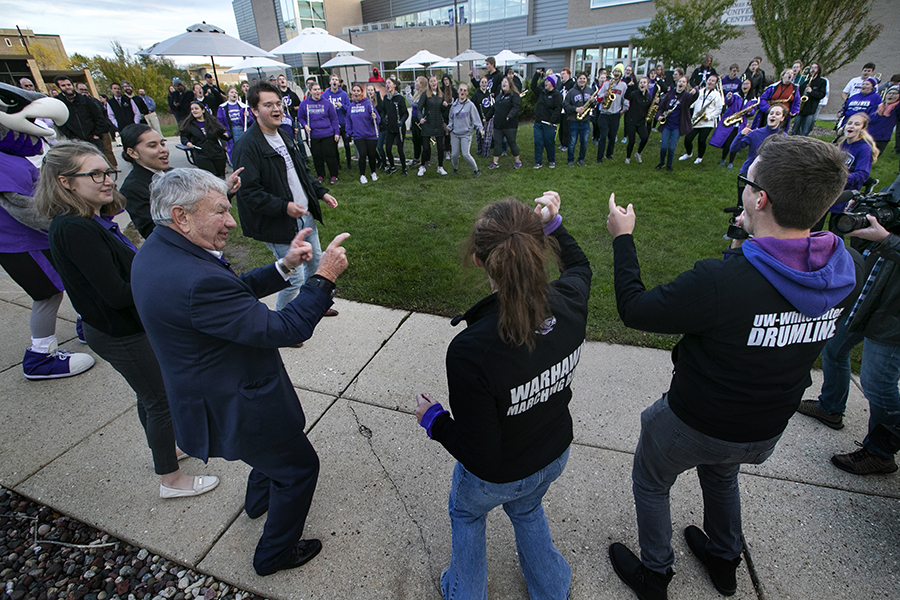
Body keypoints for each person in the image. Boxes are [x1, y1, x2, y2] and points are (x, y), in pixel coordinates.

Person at [606, 134, 861, 600]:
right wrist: (753, 240)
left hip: (695, 420)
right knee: (723, 472)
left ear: (759, 198)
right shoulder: (846, 269)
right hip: (765, 425)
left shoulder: (722, 282)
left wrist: (623, 239)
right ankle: (725, 559)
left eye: (747, 180)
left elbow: (635, 309)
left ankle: (655, 574)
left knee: (651, 478)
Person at [131, 167, 349, 576]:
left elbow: (226, 296)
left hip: (210, 388)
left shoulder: (160, 251)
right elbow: (287, 328)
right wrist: (323, 277)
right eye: (219, 211)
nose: (231, 221)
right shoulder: (194, 278)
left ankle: (258, 501)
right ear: (181, 215)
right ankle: (274, 555)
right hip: (238, 400)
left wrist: (283, 267)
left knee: (271, 457)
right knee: (299, 467)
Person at [415, 191, 591, 600]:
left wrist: (434, 420)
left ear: (479, 261)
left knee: (466, 514)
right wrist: (552, 222)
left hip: (499, 473)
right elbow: (580, 266)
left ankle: (464, 592)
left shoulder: (471, 350)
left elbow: (481, 455)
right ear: (540, 249)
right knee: (528, 508)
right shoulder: (570, 301)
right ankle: (552, 589)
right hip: (553, 453)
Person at [36, 141, 220, 498]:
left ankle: (169, 448)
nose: (107, 180)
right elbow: (117, 294)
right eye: (95, 174)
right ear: (65, 182)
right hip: (119, 332)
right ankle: (171, 479)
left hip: (121, 328)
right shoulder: (76, 229)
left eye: (108, 171)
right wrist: (163, 279)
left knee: (150, 395)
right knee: (160, 399)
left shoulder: (87, 219)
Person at [796, 190, 900, 475]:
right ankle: (830, 407)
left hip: (894, 314)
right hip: (870, 298)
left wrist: (888, 240)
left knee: (878, 383)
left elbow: (889, 246)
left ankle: (880, 452)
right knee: (834, 349)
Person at [0, 82, 96, 380]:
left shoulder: (10, 156)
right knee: (48, 294)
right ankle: (40, 357)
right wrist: (66, 220)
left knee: (71, 275)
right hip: (19, 242)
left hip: (34, 238)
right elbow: (21, 206)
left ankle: (90, 321)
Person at [232, 82, 340, 315]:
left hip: (306, 216)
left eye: (278, 104)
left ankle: (315, 306)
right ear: (254, 110)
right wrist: (285, 207)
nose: (276, 109)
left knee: (315, 264)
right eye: (268, 105)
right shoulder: (247, 146)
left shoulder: (283, 134)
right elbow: (249, 193)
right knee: (294, 277)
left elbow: (302, 172)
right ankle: (282, 323)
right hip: (278, 224)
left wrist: (321, 193)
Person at [813, 113, 879, 233]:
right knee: (815, 225)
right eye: (849, 123)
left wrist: (841, 177)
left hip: (846, 193)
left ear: (863, 129)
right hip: (831, 189)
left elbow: (863, 174)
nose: (851, 126)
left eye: (857, 124)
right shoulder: (842, 143)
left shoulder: (864, 149)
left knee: (837, 229)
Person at [119, 124, 170, 239]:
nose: (163, 150)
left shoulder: (173, 173)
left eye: (162, 144)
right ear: (132, 153)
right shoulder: (132, 189)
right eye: (152, 146)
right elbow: (150, 231)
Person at [730, 104, 787, 205]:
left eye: (777, 114)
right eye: (771, 113)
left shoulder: (784, 139)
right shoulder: (755, 133)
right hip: (748, 173)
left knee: (760, 208)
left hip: (768, 178)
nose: (773, 116)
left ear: (782, 118)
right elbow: (734, 148)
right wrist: (741, 134)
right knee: (742, 206)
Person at [298, 82, 341, 184]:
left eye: (318, 89)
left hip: (327, 134)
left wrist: (336, 133)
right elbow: (300, 117)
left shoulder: (327, 104)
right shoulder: (305, 104)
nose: (317, 92)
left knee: (330, 155)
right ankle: (320, 175)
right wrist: (305, 125)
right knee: (317, 156)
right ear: (310, 91)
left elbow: (334, 119)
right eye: (315, 89)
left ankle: (334, 175)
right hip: (314, 135)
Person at [53, 76, 108, 153]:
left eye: (69, 84)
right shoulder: (58, 102)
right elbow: (59, 121)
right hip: (76, 141)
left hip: (93, 138)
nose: (67, 87)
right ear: (59, 87)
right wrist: (72, 137)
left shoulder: (85, 100)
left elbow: (98, 116)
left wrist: (96, 134)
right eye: (63, 85)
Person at [711, 78, 756, 168]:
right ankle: (723, 159)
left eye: (747, 84)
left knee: (735, 144)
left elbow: (752, 113)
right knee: (727, 143)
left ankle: (731, 162)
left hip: (740, 125)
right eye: (744, 83)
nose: (745, 85)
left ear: (751, 86)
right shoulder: (736, 95)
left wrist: (749, 111)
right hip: (731, 122)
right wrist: (728, 97)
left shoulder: (753, 100)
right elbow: (728, 102)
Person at [679, 74, 724, 164]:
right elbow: (692, 104)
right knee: (688, 139)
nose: (710, 82)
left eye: (712, 81)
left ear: (715, 84)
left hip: (707, 122)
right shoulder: (700, 91)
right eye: (709, 80)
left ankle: (700, 157)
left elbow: (718, 109)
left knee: (702, 140)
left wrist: (709, 116)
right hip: (696, 121)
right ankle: (688, 153)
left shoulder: (717, 95)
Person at [655, 76, 697, 172]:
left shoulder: (686, 96)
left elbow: (693, 97)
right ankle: (662, 163)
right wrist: (659, 116)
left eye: (683, 82)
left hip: (677, 127)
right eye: (680, 81)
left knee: (671, 148)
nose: (681, 83)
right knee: (663, 147)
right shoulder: (670, 94)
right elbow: (661, 107)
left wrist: (696, 90)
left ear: (686, 85)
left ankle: (669, 165)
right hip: (667, 125)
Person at [179, 100, 228, 178]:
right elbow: (184, 137)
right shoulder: (190, 125)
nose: (194, 111)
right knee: (211, 177)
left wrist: (226, 134)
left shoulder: (212, 122)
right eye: (192, 109)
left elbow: (222, 133)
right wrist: (188, 143)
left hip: (217, 153)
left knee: (221, 177)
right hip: (202, 155)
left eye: (196, 108)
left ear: (203, 110)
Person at [447, 83, 483, 178]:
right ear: (458, 91)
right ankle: (455, 168)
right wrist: (449, 126)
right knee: (454, 154)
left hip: (466, 134)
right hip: (455, 133)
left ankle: (476, 170)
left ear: (467, 92)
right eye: (461, 90)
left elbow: (476, 119)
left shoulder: (470, 105)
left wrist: (480, 128)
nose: (462, 92)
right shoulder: (454, 105)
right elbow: (451, 118)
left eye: (465, 90)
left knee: (465, 154)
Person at [346, 83, 380, 184]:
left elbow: (378, 119)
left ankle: (373, 172)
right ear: (352, 93)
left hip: (370, 134)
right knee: (362, 154)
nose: (356, 93)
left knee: (372, 154)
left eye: (358, 91)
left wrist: (374, 117)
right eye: (354, 91)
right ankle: (362, 175)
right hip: (358, 135)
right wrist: (349, 132)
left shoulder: (368, 104)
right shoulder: (350, 106)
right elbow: (348, 120)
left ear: (361, 93)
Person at [487, 76, 522, 170]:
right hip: (498, 125)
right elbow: (494, 108)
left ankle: (517, 161)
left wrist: (509, 116)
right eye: (502, 82)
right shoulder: (499, 97)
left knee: (512, 142)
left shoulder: (514, 95)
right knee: (497, 143)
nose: (503, 83)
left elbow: (516, 107)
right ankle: (495, 162)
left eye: (506, 82)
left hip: (510, 125)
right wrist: (486, 117)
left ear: (510, 84)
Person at [596, 65, 628, 164]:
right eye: (615, 71)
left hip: (615, 114)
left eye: (619, 71)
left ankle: (609, 154)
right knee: (603, 136)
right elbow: (597, 98)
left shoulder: (624, 86)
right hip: (604, 114)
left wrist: (623, 110)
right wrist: (603, 96)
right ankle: (599, 158)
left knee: (612, 136)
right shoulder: (606, 84)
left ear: (621, 74)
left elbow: (626, 99)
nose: (617, 73)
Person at [417, 76, 449, 176]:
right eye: (431, 81)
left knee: (440, 147)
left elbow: (443, 112)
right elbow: (419, 108)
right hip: (428, 123)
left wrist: (444, 106)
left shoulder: (441, 95)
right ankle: (422, 166)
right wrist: (420, 118)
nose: (433, 83)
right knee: (426, 147)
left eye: (434, 81)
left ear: (437, 82)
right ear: (429, 83)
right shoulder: (425, 94)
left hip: (438, 123)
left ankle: (440, 167)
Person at [531, 70, 562, 169]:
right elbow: (533, 87)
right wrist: (537, 75)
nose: (546, 83)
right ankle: (538, 162)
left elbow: (558, 108)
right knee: (538, 142)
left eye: (548, 81)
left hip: (549, 124)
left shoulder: (556, 94)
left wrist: (552, 121)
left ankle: (551, 160)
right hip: (538, 123)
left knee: (549, 142)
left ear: (552, 84)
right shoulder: (541, 92)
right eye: (545, 81)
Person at [379, 78, 409, 175]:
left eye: (389, 83)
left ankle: (404, 168)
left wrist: (401, 121)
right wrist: (383, 117)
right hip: (390, 128)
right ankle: (392, 167)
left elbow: (405, 113)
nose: (387, 85)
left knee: (400, 149)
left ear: (394, 85)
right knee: (388, 148)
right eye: (386, 83)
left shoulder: (399, 98)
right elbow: (383, 110)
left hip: (399, 128)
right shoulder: (386, 98)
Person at [322, 75, 353, 171]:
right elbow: (322, 109)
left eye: (336, 80)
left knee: (347, 145)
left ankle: (349, 164)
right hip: (332, 125)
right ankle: (337, 164)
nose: (334, 82)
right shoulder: (325, 95)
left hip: (343, 123)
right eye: (332, 80)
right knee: (334, 146)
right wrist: (330, 108)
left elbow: (349, 108)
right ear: (329, 82)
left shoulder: (343, 94)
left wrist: (342, 106)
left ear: (339, 83)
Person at [216, 87, 254, 162]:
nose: (234, 94)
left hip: (242, 129)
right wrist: (225, 131)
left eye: (236, 93)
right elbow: (220, 121)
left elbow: (251, 122)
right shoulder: (222, 107)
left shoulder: (244, 107)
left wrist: (248, 117)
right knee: (235, 150)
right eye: (232, 92)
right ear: (227, 94)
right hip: (231, 131)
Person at [564, 72, 593, 167]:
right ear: (577, 79)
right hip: (574, 121)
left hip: (585, 121)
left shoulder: (590, 90)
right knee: (572, 142)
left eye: (584, 78)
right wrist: (575, 109)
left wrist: (593, 102)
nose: (582, 80)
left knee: (584, 142)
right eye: (580, 78)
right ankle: (570, 160)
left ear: (586, 80)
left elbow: (593, 106)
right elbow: (565, 105)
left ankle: (581, 159)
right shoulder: (571, 92)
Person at [792, 63, 828, 136]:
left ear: (818, 70)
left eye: (815, 68)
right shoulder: (805, 82)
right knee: (795, 129)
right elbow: (798, 94)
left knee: (805, 131)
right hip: (801, 109)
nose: (813, 70)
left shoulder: (822, 82)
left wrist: (812, 92)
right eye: (812, 68)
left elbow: (821, 94)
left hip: (811, 109)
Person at [623, 76, 652, 164]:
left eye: (644, 83)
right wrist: (630, 87)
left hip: (641, 121)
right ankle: (628, 157)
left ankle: (638, 153)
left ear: (647, 85)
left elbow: (648, 108)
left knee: (644, 138)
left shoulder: (648, 96)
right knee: (631, 141)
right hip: (631, 120)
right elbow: (627, 96)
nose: (642, 84)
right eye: (641, 83)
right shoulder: (634, 93)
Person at [869, 86, 899, 154]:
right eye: (889, 93)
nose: (891, 95)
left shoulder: (896, 109)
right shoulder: (875, 107)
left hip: (881, 138)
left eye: (894, 93)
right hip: (866, 136)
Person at [472, 76, 494, 158]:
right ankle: (479, 150)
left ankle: (486, 152)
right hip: (478, 119)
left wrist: (487, 117)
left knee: (487, 136)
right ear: (479, 84)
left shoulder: (489, 94)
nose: (484, 84)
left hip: (488, 118)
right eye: (482, 82)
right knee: (479, 136)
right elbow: (473, 107)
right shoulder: (476, 95)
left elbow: (492, 107)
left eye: (485, 82)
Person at [410, 76, 427, 165]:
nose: (415, 83)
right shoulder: (416, 93)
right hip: (414, 119)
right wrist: (408, 93)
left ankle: (426, 159)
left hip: (421, 119)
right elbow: (411, 103)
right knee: (415, 139)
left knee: (423, 140)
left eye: (417, 81)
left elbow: (421, 106)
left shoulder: (425, 94)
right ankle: (416, 158)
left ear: (421, 84)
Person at [557, 68, 574, 151]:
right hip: (560, 109)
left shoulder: (571, 84)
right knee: (561, 127)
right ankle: (561, 142)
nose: (562, 76)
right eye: (561, 74)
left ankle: (566, 144)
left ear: (568, 75)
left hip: (568, 109)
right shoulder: (560, 85)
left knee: (566, 127)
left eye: (564, 74)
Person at [441, 75, 458, 159]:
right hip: (445, 115)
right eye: (444, 80)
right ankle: (447, 150)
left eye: (447, 80)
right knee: (446, 132)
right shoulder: (441, 91)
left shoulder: (454, 92)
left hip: (454, 115)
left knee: (455, 133)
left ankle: (455, 150)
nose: (446, 81)